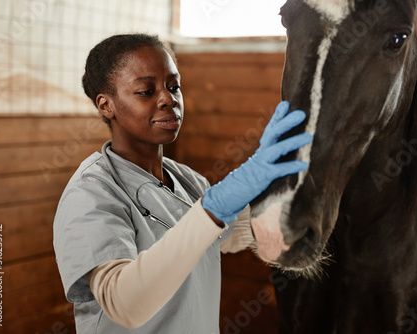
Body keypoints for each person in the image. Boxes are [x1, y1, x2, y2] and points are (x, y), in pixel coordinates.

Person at [53, 33, 313, 333]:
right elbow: (123, 304)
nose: (168, 99)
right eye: (146, 91)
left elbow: (229, 235)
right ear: (106, 105)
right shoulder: (90, 193)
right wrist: (213, 210)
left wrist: (290, 185)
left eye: (173, 86)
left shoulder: (185, 179)